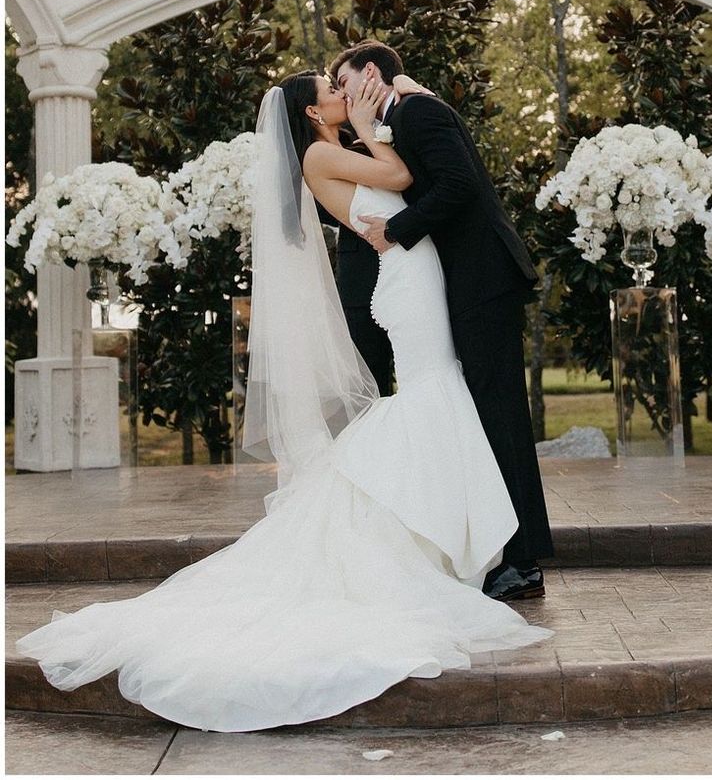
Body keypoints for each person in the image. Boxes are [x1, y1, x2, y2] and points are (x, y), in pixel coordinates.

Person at [15, 72, 552, 734]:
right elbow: (401, 174)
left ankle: (449, 537)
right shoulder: (320, 153)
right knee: (431, 391)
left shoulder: (327, 150)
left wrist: (373, 116)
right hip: (408, 280)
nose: (340, 88)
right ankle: (442, 539)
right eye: (331, 87)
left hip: (413, 273)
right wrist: (367, 119)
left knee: (433, 393)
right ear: (311, 109)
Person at [331, 41, 555, 602]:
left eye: (343, 79)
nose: (338, 90)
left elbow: (460, 185)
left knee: (500, 414)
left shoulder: (419, 112)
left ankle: (524, 559)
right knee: (482, 414)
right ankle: (500, 545)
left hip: (483, 280)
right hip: (462, 284)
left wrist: (398, 230)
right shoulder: (398, 116)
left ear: (373, 75)